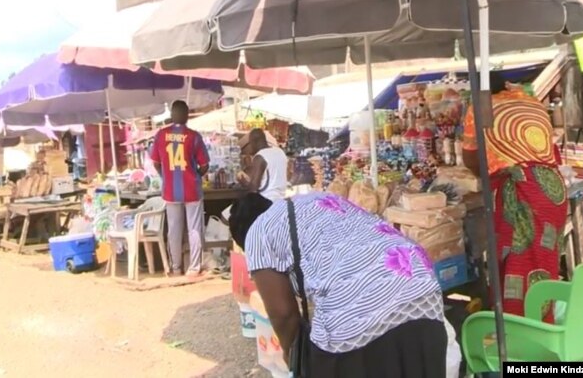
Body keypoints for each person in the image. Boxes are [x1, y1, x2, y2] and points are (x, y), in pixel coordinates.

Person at [229, 191, 447, 378]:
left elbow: (284, 315)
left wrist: (291, 356)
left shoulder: (257, 232)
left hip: (359, 303)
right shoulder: (317, 198)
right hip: (418, 280)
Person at [462, 74, 568, 322]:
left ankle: (519, 330)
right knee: (542, 261)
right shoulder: (529, 99)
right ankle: (542, 322)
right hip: (552, 187)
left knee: (516, 263)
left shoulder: (481, 106)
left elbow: (471, 159)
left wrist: (486, 167)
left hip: (524, 190)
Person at [151, 100, 210, 278]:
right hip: (191, 189)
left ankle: (175, 268)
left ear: (171, 114)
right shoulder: (194, 136)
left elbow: (155, 162)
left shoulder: (161, 135)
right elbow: (205, 165)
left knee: (174, 230)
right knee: (194, 229)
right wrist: (196, 175)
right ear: (186, 115)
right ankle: (193, 268)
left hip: (170, 191)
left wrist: (165, 177)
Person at [240, 128, 288, 202]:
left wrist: (245, 183)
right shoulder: (280, 152)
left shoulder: (260, 156)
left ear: (253, 142)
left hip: (266, 201)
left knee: (231, 211)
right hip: (282, 200)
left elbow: (254, 187)